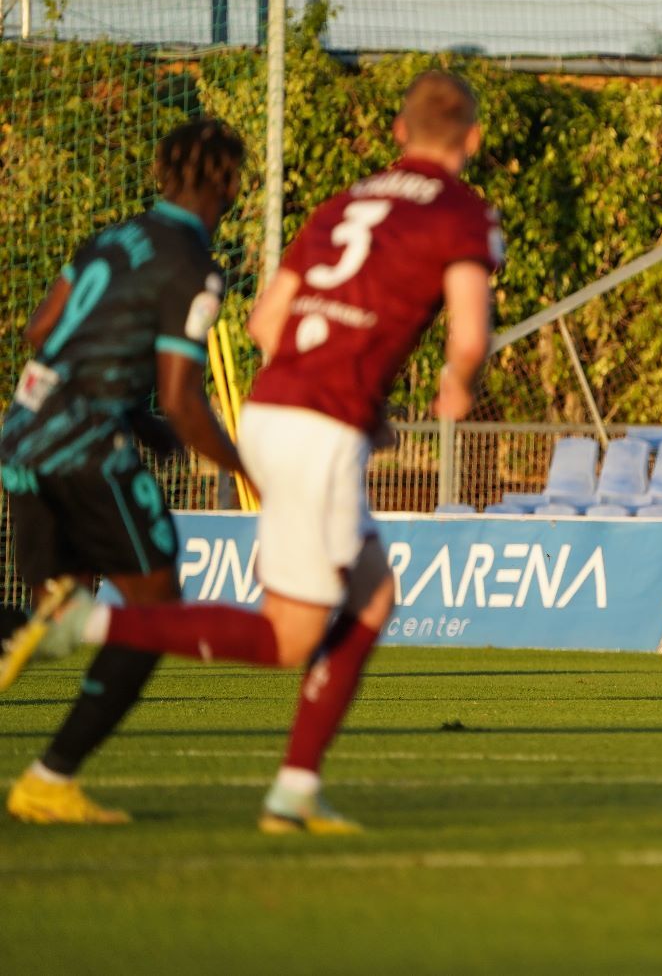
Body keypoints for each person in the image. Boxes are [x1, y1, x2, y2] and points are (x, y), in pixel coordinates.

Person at [0, 70, 501, 831]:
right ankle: (83, 627)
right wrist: (455, 384)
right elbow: (468, 337)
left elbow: (268, 323)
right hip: (311, 426)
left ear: (400, 134)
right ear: (473, 138)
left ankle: (294, 791)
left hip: (267, 406)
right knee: (287, 637)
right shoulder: (465, 214)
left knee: (372, 594)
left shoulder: (344, 204)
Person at [0, 117, 251, 824]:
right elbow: (183, 397)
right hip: (82, 449)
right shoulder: (194, 265)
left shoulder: (110, 239)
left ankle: (48, 776)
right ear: (229, 182)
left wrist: (133, 416)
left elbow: (41, 331)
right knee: (156, 613)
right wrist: (244, 464)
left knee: (58, 614)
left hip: (22, 437)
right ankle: (48, 782)